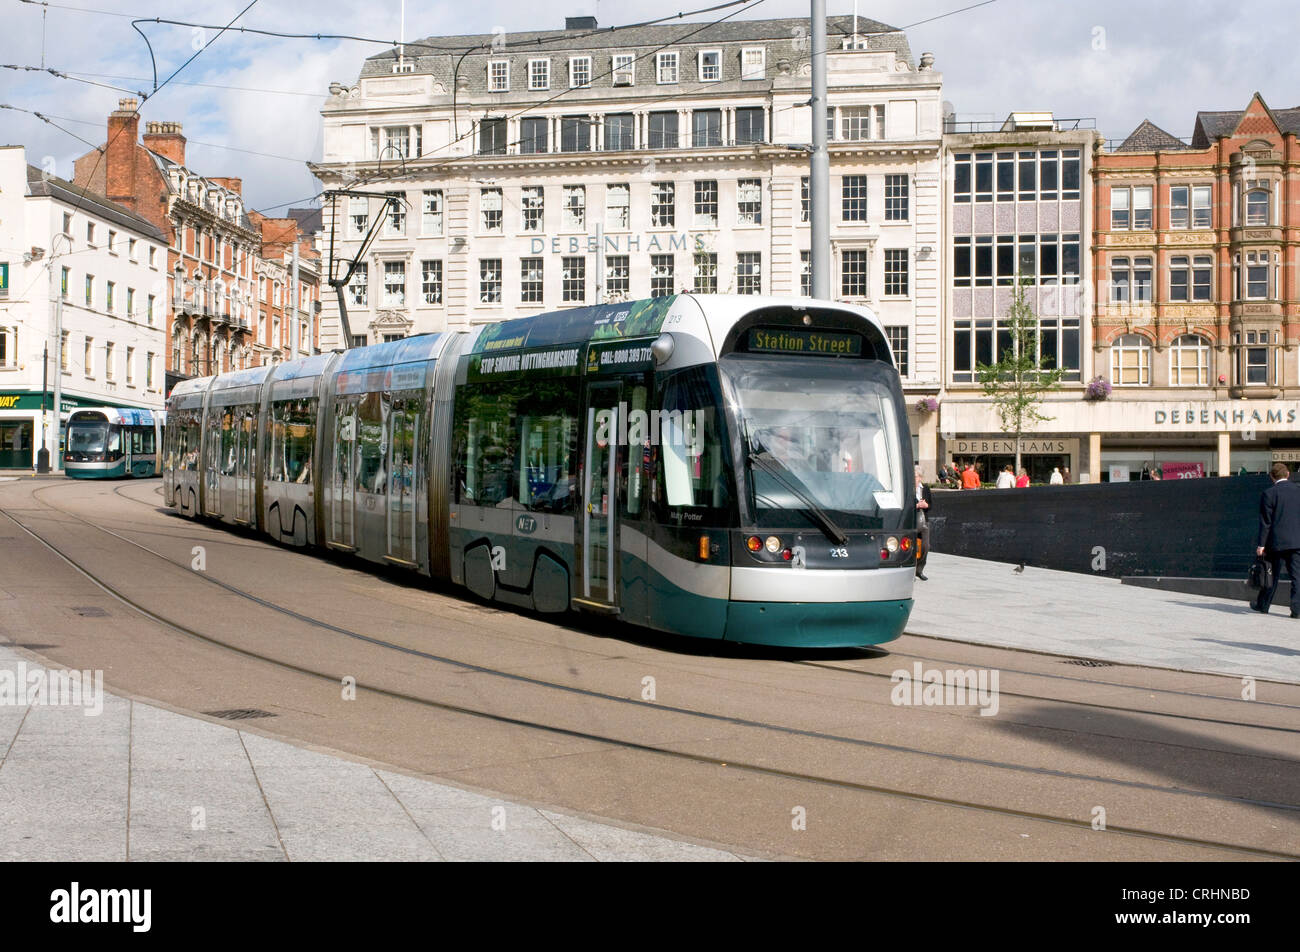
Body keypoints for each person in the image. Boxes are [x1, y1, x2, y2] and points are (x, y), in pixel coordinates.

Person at [1252, 462, 1300, 617]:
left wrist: (1261, 544)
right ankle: (1297, 610)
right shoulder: (1298, 491)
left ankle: (1263, 606)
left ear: (1272, 477)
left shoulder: (1269, 493)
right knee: (1297, 577)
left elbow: (1266, 522)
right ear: (1287, 474)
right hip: (1296, 542)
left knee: (1271, 574)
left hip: (1276, 542)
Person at [914, 466, 931, 581]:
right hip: (911, 520)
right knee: (911, 547)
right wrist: (915, 505)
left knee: (925, 546)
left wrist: (926, 505)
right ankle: (910, 571)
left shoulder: (925, 488)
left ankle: (919, 570)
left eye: (915, 477)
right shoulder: (907, 488)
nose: (914, 479)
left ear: (920, 477)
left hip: (924, 520)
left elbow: (931, 504)